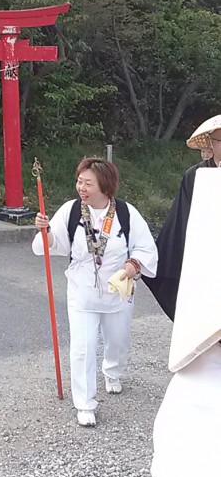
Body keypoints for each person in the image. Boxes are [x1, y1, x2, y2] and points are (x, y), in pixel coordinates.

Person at [33, 157, 158, 427]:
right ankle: (85, 403)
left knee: (117, 340)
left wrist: (132, 264)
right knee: (83, 346)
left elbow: (146, 249)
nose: (82, 188)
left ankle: (113, 372)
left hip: (117, 289)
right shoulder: (71, 210)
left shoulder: (126, 213)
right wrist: (46, 232)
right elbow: (55, 245)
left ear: (105, 186)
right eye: (80, 181)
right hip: (82, 290)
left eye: (88, 183)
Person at [148, 115, 221, 477]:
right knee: (190, 414)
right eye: (220, 140)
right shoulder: (198, 179)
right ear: (210, 144)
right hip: (209, 294)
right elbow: (181, 237)